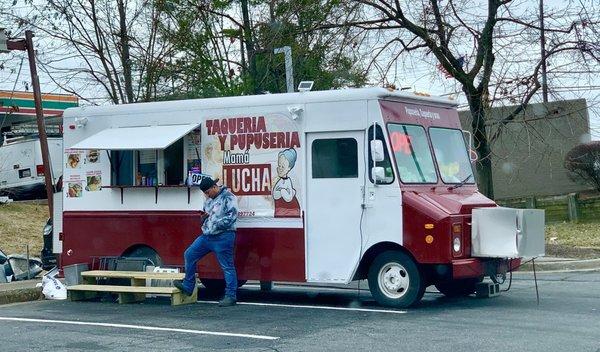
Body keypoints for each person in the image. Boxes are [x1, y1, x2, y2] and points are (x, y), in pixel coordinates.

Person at [174, 176, 239, 307]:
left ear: (215, 187)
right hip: (208, 236)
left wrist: (212, 223)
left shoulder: (229, 197)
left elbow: (231, 218)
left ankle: (231, 296)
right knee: (189, 254)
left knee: (227, 266)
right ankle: (188, 285)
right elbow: (207, 214)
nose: (207, 196)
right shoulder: (209, 200)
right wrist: (204, 220)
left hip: (224, 236)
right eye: (205, 193)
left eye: (208, 192)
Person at [272, 148, 300, 217]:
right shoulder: (280, 181)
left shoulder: (288, 181)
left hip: (290, 212)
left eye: (283, 167)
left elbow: (289, 198)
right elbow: (275, 195)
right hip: (281, 211)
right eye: (279, 166)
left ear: (289, 168)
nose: (280, 169)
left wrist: (282, 191)